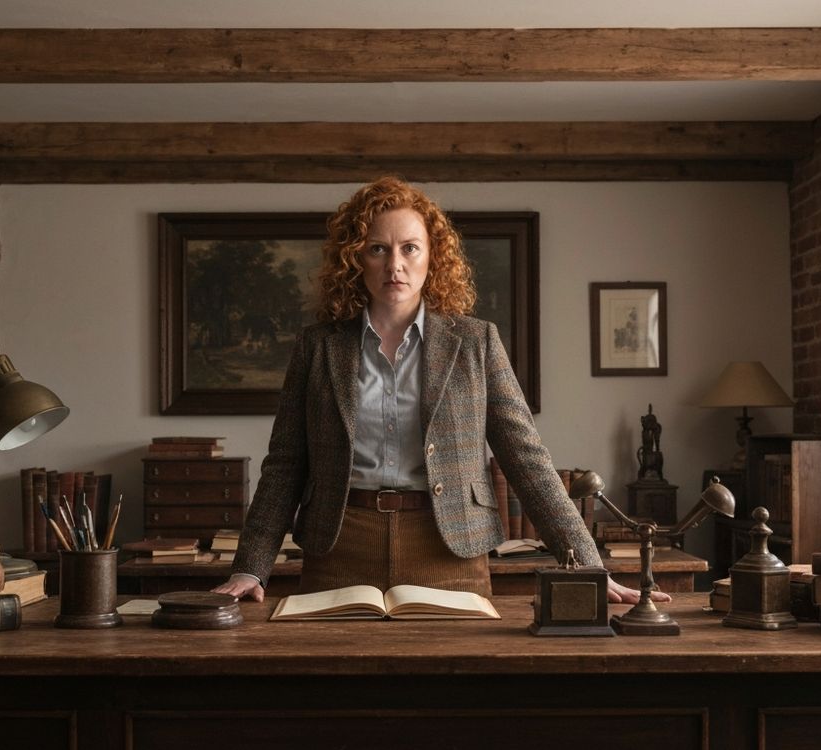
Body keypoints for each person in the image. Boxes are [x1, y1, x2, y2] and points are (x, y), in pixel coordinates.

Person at [213, 176, 666, 605]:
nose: (395, 265)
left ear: (432, 256)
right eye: (377, 249)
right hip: (339, 544)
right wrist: (251, 567)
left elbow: (525, 459)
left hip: (450, 548)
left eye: (410, 248)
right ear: (356, 259)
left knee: (455, 684)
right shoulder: (317, 347)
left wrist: (586, 562)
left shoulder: (476, 341)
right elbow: (285, 463)